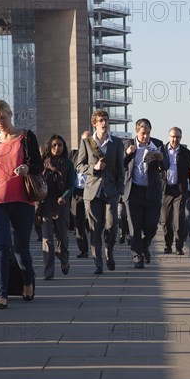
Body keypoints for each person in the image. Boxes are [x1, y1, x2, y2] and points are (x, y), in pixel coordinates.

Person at [0, 100, 43, 309]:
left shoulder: (27, 137)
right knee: (1, 247)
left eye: (3, 117)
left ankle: (27, 281)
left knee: (21, 249)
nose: (0, 122)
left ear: (10, 114)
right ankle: (2, 295)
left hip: (22, 200)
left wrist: (27, 167)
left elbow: (39, 165)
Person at [76, 110, 124, 275]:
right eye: (100, 120)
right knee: (95, 228)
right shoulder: (87, 143)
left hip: (111, 191)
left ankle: (109, 252)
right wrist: (93, 168)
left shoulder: (116, 142)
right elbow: (79, 165)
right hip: (92, 191)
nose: (104, 123)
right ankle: (98, 263)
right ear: (94, 123)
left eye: (105, 120)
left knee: (112, 226)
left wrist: (120, 189)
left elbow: (120, 168)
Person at [123, 118, 169, 269]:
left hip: (151, 192)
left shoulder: (158, 144)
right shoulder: (128, 144)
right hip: (134, 191)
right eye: (143, 133)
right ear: (137, 132)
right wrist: (128, 154)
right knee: (135, 227)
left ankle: (144, 245)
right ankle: (137, 256)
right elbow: (120, 165)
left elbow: (166, 165)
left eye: (148, 133)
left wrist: (161, 159)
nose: (146, 136)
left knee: (151, 226)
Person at [38, 135, 76, 279]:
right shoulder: (43, 163)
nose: (57, 148)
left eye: (60, 145)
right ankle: (48, 272)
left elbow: (71, 185)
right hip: (45, 203)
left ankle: (64, 259)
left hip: (62, 203)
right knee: (47, 238)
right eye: (54, 145)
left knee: (62, 236)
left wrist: (64, 197)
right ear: (50, 146)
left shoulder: (68, 164)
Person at [160, 127, 190, 255]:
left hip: (180, 189)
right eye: (173, 136)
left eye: (177, 137)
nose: (175, 139)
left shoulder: (186, 153)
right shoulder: (161, 151)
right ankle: (168, 245)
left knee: (179, 219)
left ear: (181, 137)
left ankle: (179, 246)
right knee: (166, 219)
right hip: (166, 190)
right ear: (169, 137)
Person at [70, 130, 91, 258]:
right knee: (78, 222)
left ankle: (95, 246)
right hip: (77, 192)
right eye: (84, 140)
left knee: (93, 222)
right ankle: (83, 249)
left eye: (89, 140)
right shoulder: (73, 154)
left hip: (91, 191)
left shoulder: (97, 155)